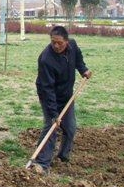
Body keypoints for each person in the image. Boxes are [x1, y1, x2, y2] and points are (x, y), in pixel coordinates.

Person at [32, 25, 92, 173]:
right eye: (53, 42)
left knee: (70, 127)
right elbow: (47, 88)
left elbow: (78, 58)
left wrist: (83, 69)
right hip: (48, 96)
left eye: (59, 43)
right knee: (51, 127)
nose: (56, 46)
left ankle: (63, 156)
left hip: (66, 95)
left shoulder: (73, 46)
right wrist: (54, 114)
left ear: (66, 41)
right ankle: (41, 163)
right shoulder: (46, 59)